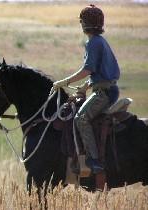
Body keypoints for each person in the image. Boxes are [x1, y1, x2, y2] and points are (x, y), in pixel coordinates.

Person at [53, 4, 120, 176]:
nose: (81, 24)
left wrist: (63, 82)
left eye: (82, 21)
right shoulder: (101, 42)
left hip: (103, 94)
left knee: (81, 118)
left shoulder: (93, 43)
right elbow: (97, 73)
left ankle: (94, 160)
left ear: (85, 23)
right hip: (106, 89)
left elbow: (87, 70)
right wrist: (84, 88)